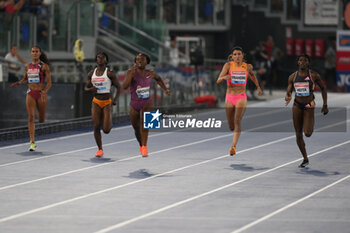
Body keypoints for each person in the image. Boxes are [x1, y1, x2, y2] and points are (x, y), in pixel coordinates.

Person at [123, 53, 171, 157]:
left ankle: (145, 147)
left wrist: (165, 89)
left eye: (142, 59)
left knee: (145, 124)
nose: (140, 61)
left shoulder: (151, 73)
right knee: (136, 128)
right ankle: (141, 145)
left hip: (147, 102)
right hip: (134, 104)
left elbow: (158, 79)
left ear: (147, 62)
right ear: (135, 62)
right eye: (138, 59)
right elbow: (124, 86)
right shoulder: (130, 72)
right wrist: (131, 74)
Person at [217, 46, 262, 156]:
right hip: (229, 97)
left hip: (241, 96)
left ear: (243, 56)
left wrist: (258, 87)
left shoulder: (247, 67)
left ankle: (233, 147)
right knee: (231, 126)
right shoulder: (228, 66)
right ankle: (233, 134)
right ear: (232, 56)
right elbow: (218, 80)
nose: (237, 56)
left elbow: (252, 75)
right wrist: (224, 78)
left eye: (239, 54)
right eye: (235, 54)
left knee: (237, 120)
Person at [285, 54, 328, 168]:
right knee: (298, 135)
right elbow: (289, 89)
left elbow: (323, 88)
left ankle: (309, 123)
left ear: (308, 63)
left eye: (305, 60)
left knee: (308, 134)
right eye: (300, 60)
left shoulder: (313, 75)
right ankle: (305, 158)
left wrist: (325, 104)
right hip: (297, 105)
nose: (303, 62)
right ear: (298, 63)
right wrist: (288, 95)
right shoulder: (292, 77)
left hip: (309, 104)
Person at [11, 45, 51, 151]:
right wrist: (18, 83)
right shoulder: (28, 66)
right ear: (31, 53)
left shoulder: (44, 66)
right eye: (33, 51)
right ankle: (32, 142)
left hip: (41, 93)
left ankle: (39, 124)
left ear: (40, 53)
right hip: (31, 93)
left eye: (36, 51)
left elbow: (49, 83)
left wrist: (44, 91)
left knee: (41, 119)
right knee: (31, 117)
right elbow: (25, 79)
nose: (34, 53)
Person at [84, 52, 121, 157]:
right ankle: (100, 149)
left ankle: (108, 120)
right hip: (96, 101)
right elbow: (85, 88)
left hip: (106, 102)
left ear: (106, 60)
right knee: (96, 126)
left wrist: (115, 99)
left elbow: (119, 87)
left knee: (106, 130)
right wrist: (91, 89)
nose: (99, 59)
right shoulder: (91, 73)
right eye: (98, 58)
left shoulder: (110, 73)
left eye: (102, 58)